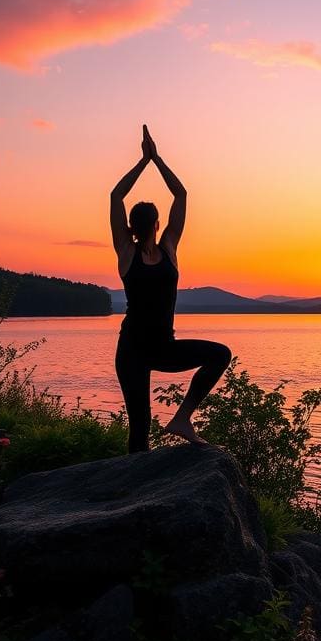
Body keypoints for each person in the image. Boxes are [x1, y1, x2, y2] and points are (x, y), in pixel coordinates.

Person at [109, 125, 231, 453]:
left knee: (139, 431)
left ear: (132, 227)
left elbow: (115, 196)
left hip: (152, 348)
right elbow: (181, 195)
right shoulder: (167, 249)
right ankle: (183, 417)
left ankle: (181, 420)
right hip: (138, 351)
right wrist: (156, 160)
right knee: (220, 355)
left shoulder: (127, 252)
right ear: (158, 224)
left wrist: (145, 161)